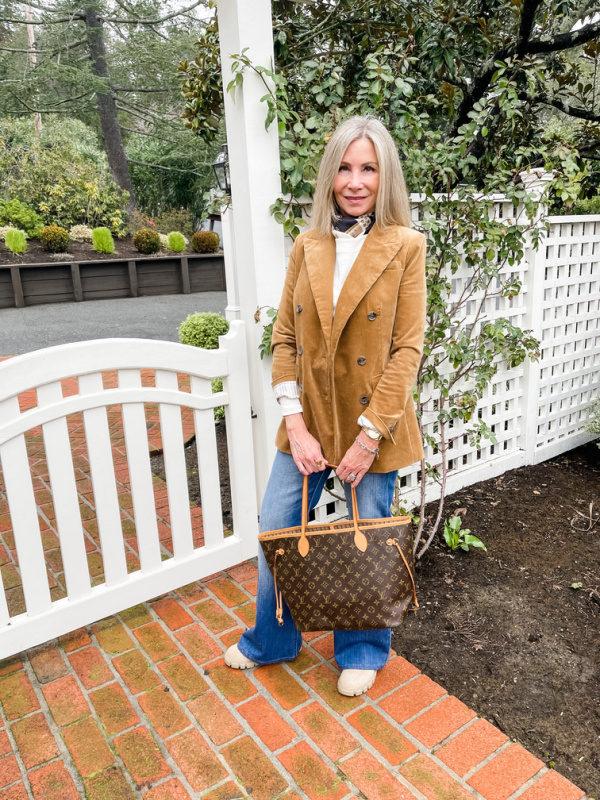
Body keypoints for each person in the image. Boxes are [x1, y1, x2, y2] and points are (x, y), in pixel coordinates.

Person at [225, 115, 427, 696]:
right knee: (279, 525)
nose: (355, 180)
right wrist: (295, 420)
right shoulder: (307, 246)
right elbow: (285, 337)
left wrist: (368, 439)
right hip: (308, 419)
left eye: (368, 168)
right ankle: (273, 639)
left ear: (385, 176)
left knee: (367, 535)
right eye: (344, 166)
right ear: (329, 175)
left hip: (374, 423)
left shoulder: (405, 246)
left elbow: (406, 347)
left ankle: (362, 648)